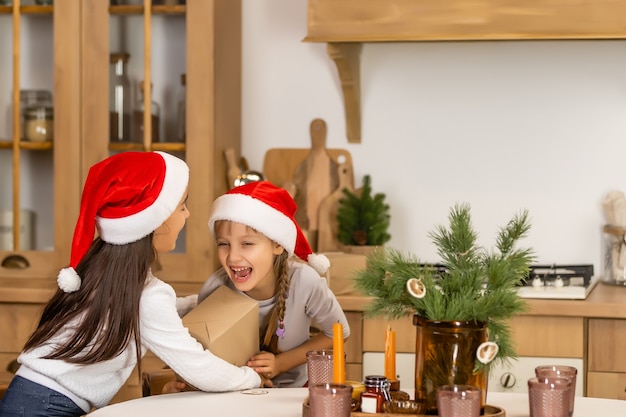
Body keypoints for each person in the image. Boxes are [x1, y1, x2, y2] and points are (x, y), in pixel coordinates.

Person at [0, 151, 262, 417]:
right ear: (155, 221)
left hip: (25, 398)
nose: (188, 213)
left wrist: (198, 302)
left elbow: (143, 312)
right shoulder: (147, 295)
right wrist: (252, 378)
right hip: (47, 408)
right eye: (182, 205)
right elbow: (198, 366)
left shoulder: (101, 272)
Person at [200, 180, 350, 388]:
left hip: (296, 393)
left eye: (247, 244)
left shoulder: (305, 281)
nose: (233, 257)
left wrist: (281, 363)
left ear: (277, 244)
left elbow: (338, 332)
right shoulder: (214, 289)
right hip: (237, 395)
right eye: (224, 244)